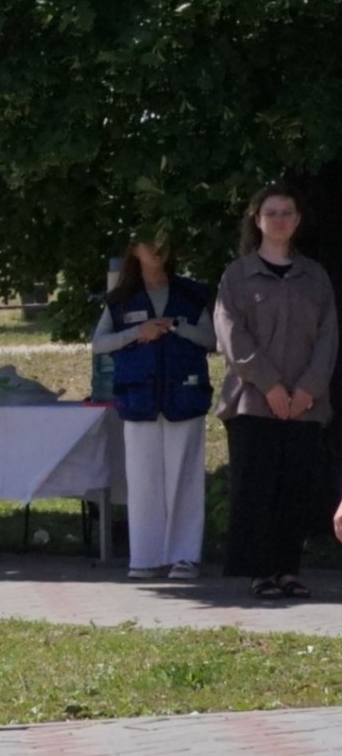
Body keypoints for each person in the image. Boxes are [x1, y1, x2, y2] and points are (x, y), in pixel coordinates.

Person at [215, 184, 336, 600]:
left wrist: (306, 389)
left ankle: (288, 570)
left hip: (305, 405)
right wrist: (270, 386)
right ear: (257, 219)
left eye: (287, 212)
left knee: (295, 490)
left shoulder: (315, 276)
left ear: (297, 220)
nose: (279, 219)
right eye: (271, 213)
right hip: (253, 402)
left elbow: (328, 338)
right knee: (257, 488)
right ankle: (260, 573)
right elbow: (232, 337)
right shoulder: (237, 276)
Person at [95, 239, 217, 580]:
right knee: (143, 478)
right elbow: (100, 343)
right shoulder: (120, 301)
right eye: (149, 243)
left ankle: (185, 557)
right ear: (134, 250)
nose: (158, 249)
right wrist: (138, 332)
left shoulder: (191, 295)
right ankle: (145, 557)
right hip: (139, 399)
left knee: (185, 477)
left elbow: (211, 339)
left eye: (164, 242)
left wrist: (177, 327)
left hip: (185, 396)